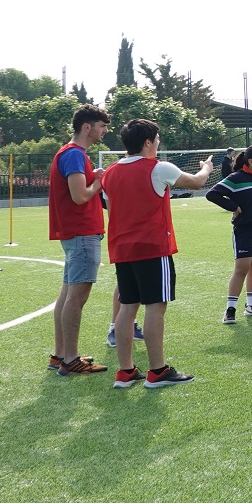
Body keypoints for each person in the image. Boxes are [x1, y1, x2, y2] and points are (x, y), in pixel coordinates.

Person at [103, 118, 213, 388]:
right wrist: (207, 168)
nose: (158, 143)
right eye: (157, 139)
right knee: (155, 306)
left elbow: (110, 208)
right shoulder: (158, 167)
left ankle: (125, 371)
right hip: (152, 247)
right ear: (148, 142)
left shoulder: (110, 173)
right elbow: (196, 183)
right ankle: (157, 371)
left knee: (127, 306)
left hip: (122, 248)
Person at [48, 103, 112, 376]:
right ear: (87, 127)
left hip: (75, 233)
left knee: (67, 294)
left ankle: (61, 355)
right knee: (76, 297)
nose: (105, 131)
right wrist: (100, 181)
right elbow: (80, 196)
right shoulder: (74, 154)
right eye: (102, 126)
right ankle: (70, 359)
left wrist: (93, 178)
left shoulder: (70, 153)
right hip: (82, 233)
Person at [206, 144, 252, 322]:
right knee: (242, 267)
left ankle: (251, 306)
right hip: (244, 228)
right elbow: (212, 194)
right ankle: (230, 309)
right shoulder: (236, 178)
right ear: (251, 161)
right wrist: (233, 206)